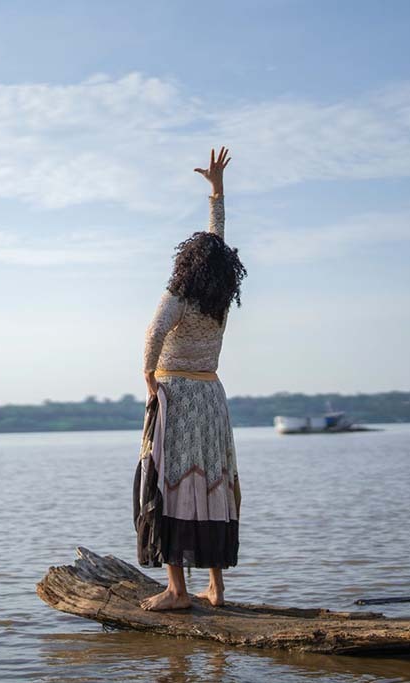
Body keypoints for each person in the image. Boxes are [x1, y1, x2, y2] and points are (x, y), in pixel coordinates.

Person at [139, 146, 246, 611]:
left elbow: (155, 331)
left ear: (185, 263)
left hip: (177, 395)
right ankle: (217, 589)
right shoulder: (219, 295)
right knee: (210, 486)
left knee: (169, 484)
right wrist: (217, 193)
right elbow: (217, 242)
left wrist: (147, 374)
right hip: (211, 395)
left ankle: (178, 590)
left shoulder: (180, 292)